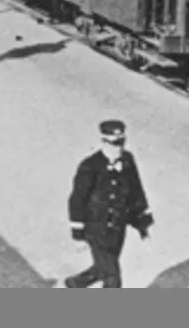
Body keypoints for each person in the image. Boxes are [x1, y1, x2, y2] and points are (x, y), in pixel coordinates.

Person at [65, 120, 154, 289]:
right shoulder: (89, 166)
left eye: (122, 142)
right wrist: (78, 235)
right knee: (113, 277)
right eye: (114, 143)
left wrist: (143, 225)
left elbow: (135, 191)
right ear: (103, 142)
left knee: (103, 268)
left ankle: (76, 284)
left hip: (117, 229)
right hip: (95, 229)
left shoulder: (127, 160)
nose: (119, 147)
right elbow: (77, 200)